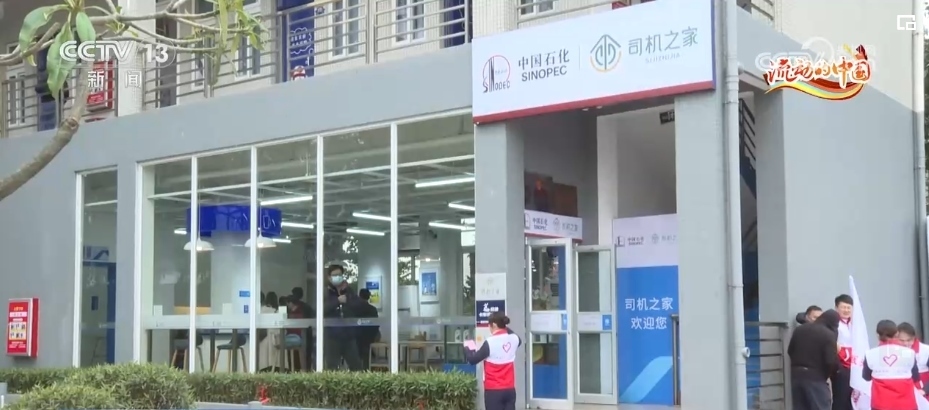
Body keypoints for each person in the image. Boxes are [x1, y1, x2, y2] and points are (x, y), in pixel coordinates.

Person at [464, 312, 521, 410]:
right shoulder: (514, 338)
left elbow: (473, 360)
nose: (489, 328)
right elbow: (517, 338)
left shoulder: (490, 342)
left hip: (493, 390)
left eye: (489, 325)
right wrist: (503, 326)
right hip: (510, 389)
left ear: (494, 325)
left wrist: (467, 348)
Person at [862, 319, 923, 410]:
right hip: (906, 404)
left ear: (878, 335)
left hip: (881, 404)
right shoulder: (909, 352)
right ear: (897, 334)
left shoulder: (870, 354)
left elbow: (866, 377)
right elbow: (916, 377)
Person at [787, 309, 840, 410]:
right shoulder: (828, 334)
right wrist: (829, 374)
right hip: (816, 379)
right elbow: (831, 361)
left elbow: (790, 350)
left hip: (796, 376)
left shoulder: (799, 329)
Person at [323, 264, 365, 371]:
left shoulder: (349, 290)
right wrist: (337, 301)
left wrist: (347, 300)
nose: (337, 277)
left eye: (339, 275)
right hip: (332, 336)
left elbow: (359, 305)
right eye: (334, 275)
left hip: (348, 335)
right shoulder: (325, 292)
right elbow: (321, 309)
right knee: (332, 368)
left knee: (356, 366)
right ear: (329, 277)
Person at [833, 294, 854, 410]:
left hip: (855, 365)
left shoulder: (854, 324)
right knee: (841, 397)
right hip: (841, 365)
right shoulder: (834, 324)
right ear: (837, 308)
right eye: (843, 307)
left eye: (848, 307)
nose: (846, 310)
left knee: (853, 398)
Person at [897, 322, 929, 392]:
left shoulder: (926, 350)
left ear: (914, 338)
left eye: (909, 340)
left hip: (923, 392)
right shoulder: (892, 351)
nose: (905, 343)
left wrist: (925, 390)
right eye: (901, 340)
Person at [356, 288, 380, 369]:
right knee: (366, 352)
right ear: (369, 297)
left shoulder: (356, 309)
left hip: (358, 338)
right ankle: (367, 368)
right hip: (370, 337)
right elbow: (376, 325)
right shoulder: (373, 309)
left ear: (359, 296)